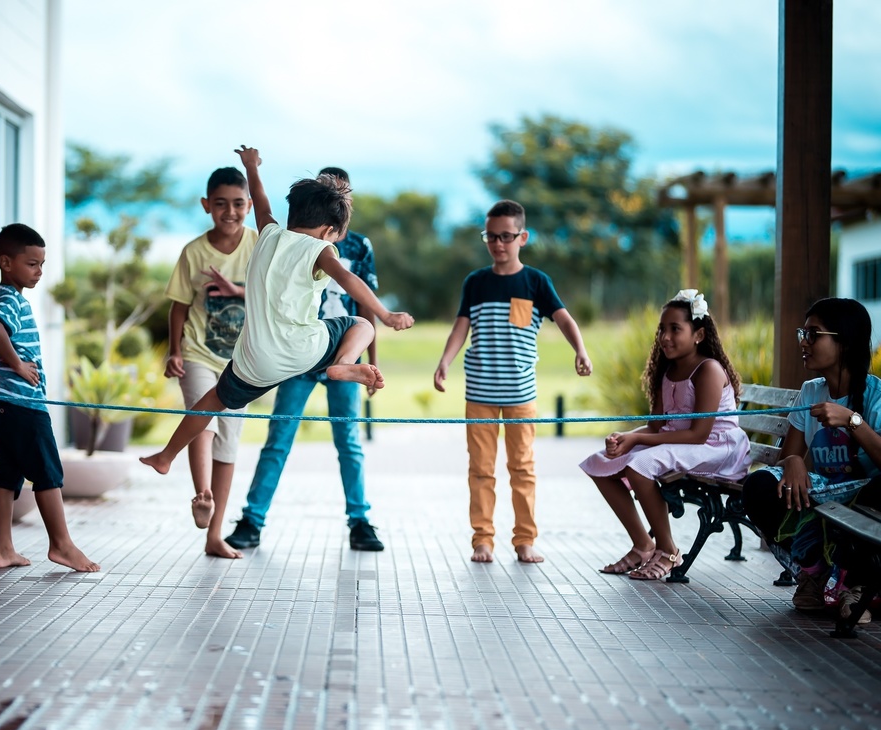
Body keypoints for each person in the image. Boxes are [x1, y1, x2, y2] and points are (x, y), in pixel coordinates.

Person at [140, 145, 414, 483]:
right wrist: (385, 315)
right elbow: (348, 278)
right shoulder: (322, 250)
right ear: (330, 231)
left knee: (211, 400)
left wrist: (252, 166)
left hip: (254, 361)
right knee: (358, 324)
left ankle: (166, 456)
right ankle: (342, 362)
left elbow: (260, 197)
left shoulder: (268, 232)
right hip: (301, 351)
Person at [225, 166, 384, 553]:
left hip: (343, 353)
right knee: (279, 437)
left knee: (348, 440)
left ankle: (359, 521)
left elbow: (365, 301)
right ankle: (252, 519)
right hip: (298, 351)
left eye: (341, 190)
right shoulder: (294, 237)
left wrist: (369, 362)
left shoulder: (358, 246)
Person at [433, 199, 591, 564]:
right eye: (491, 236)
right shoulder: (476, 282)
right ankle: (482, 540)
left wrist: (580, 350)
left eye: (506, 236)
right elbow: (462, 325)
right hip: (480, 393)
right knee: (481, 470)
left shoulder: (536, 282)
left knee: (522, 468)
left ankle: (524, 540)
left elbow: (564, 319)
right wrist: (445, 361)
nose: (498, 243)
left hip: (521, 394)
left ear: (523, 237)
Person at [580, 290, 751, 580]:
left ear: (698, 334)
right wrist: (627, 437)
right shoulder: (667, 370)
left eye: (675, 329)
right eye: (662, 329)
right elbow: (658, 428)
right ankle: (643, 544)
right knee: (599, 463)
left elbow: (698, 434)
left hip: (716, 449)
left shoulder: (707, 369)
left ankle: (669, 550)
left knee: (639, 466)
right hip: (684, 443)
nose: (665, 337)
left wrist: (638, 441)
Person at [742, 297, 881, 621]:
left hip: (866, 493)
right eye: (802, 333)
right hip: (826, 491)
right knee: (760, 484)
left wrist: (851, 420)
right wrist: (793, 461)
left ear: (844, 341)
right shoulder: (810, 391)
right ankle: (815, 573)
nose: (804, 342)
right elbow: (792, 452)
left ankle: (855, 585)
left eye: (813, 334)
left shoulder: (875, 395)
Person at [0, 223, 100, 572]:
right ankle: (61, 545)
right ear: (6, 262)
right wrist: (15, 366)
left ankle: (4, 550)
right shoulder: (7, 297)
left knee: (7, 473)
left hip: (0, 400)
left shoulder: (6, 296)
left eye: (42, 264)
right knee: (47, 470)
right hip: (20, 403)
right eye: (32, 264)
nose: (39, 271)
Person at [163, 167, 259, 559]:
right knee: (201, 417)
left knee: (229, 444)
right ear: (207, 205)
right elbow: (179, 307)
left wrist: (236, 290)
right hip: (199, 353)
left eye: (238, 204)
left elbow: (271, 298)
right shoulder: (194, 252)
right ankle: (202, 495)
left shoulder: (259, 244)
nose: (230, 211)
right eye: (221, 204)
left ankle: (214, 535)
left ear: (249, 206)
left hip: (242, 362)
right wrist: (174, 350)